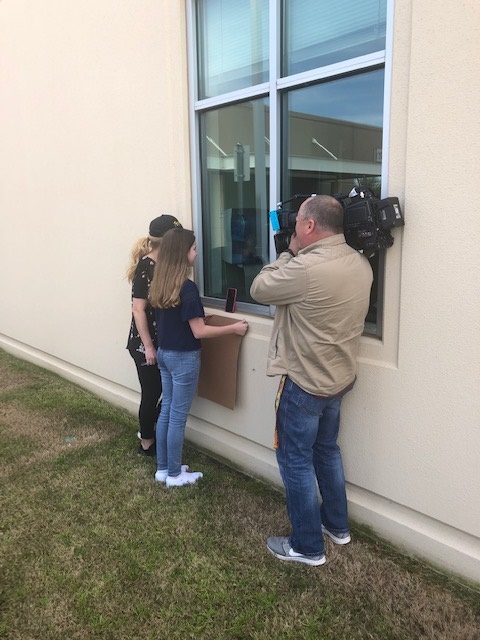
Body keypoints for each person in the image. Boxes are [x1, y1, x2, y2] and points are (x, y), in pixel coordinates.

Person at [250, 195, 373, 566]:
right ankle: (336, 525)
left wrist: (287, 253)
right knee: (327, 450)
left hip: (305, 384)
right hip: (339, 379)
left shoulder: (304, 268)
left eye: (297, 223)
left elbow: (259, 288)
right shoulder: (360, 262)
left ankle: (307, 546)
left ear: (308, 227)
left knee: (295, 461)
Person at [149, 228, 248, 487]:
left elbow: (180, 322)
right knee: (177, 416)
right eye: (194, 249)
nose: (196, 253)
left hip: (164, 355)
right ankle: (174, 475)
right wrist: (233, 328)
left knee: (167, 411)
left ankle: (163, 468)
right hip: (183, 358)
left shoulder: (161, 284)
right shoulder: (188, 288)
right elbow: (199, 331)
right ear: (183, 254)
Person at [126, 214, 182, 457]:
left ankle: (152, 431)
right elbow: (138, 309)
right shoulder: (146, 267)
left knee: (167, 393)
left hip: (165, 341)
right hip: (144, 344)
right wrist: (148, 347)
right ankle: (146, 443)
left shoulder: (167, 265)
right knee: (152, 394)